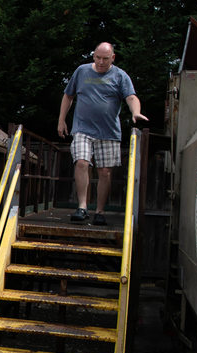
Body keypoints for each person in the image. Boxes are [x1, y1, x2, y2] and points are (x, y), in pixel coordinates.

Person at [56, 42, 148, 225]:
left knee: (105, 172)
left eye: (105, 59)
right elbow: (68, 95)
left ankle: (99, 211)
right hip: (82, 128)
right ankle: (82, 207)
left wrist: (135, 111)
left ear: (112, 57)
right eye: (98, 57)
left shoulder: (120, 76)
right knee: (81, 162)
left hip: (108, 132)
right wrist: (61, 120)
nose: (101, 62)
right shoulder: (81, 71)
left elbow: (131, 97)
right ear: (93, 56)